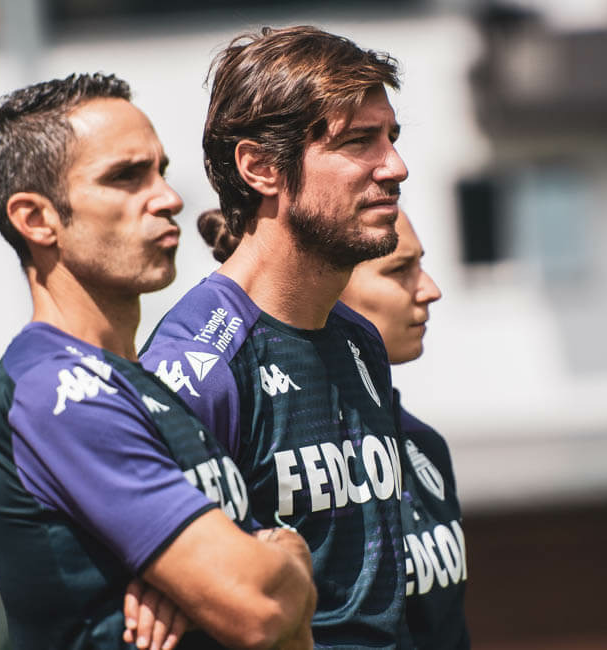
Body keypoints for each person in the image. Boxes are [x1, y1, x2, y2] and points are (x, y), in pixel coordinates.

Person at [0, 72, 315, 650]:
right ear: (36, 219)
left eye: (160, 170)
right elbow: (262, 610)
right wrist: (286, 551)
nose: (169, 198)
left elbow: (284, 624)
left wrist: (268, 561)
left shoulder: (148, 385)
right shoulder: (56, 390)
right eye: (126, 177)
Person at [140, 27, 412, 647]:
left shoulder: (360, 341)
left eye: (391, 138)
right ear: (260, 167)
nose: (395, 166)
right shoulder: (198, 365)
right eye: (358, 141)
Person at [198, 209, 471, 648]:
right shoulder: (264, 437)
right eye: (399, 270)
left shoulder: (425, 445)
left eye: (420, 265)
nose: (430, 289)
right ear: (327, 286)